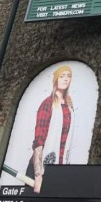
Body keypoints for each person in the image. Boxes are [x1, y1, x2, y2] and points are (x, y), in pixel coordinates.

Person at [25, 65, 75, 193]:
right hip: (42, 169)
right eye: (62, 76)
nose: (65, 79)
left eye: (68, 76)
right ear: (55, 80)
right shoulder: (48, 104)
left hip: (60, 168)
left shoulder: (69, 108)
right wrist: (38, 175)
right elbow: (39, 141)